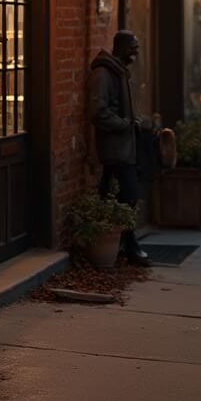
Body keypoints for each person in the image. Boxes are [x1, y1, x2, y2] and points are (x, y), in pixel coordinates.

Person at [88, 30, 151, 267]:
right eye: (132, 47)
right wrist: (124, 125)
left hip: (125, 146)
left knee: (111, 195)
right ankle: (129, 245)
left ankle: (121, 244)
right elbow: (98, 112)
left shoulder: (120, 72)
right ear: (120, 47)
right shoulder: (103, 74)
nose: (136, 51)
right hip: (115, 148)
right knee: (129, 195)